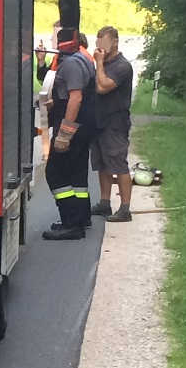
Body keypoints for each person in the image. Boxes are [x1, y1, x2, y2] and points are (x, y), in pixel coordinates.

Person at [41, 27, 97, 240]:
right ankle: (82, 217)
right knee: (77, 174)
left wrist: (65, 134)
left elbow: (76, 98)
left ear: (62, 41)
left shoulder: (71, 64)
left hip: (74, 127)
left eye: (54, 37)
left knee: (55, 173)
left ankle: (71, 224)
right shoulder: (82, 59)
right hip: (85, 127)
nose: (52, 41)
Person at [91, 27, 135, 222]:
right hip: (99, 120)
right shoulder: (104, 63)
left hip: (115, 122)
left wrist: (99, 63)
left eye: (104, 42)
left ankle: (125, 208)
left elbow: (102, 87)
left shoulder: (122, 66)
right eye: (98, 42)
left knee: (118, 163)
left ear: (115, 42)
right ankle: (104, 202)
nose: (100, 47)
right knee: (102, 164)